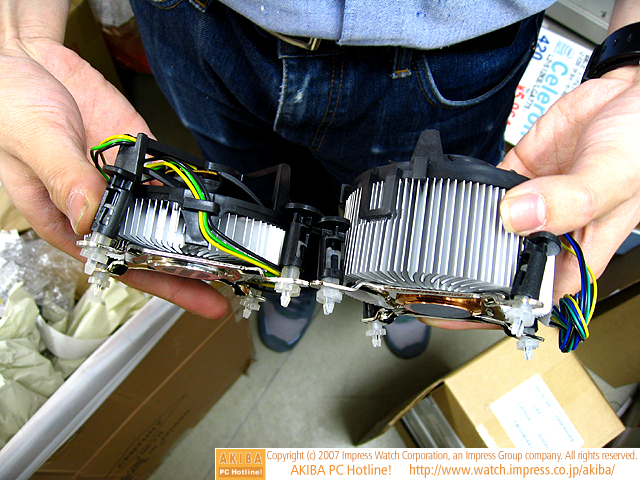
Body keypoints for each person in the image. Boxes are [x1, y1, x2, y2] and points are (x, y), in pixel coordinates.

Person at [1, 1, 639, 356]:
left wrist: (633, 67)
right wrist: (17, 35)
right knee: (245, 188)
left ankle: (401, 294)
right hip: (198, 24)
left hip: (447, 59)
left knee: (421, 224)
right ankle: (289, 284)